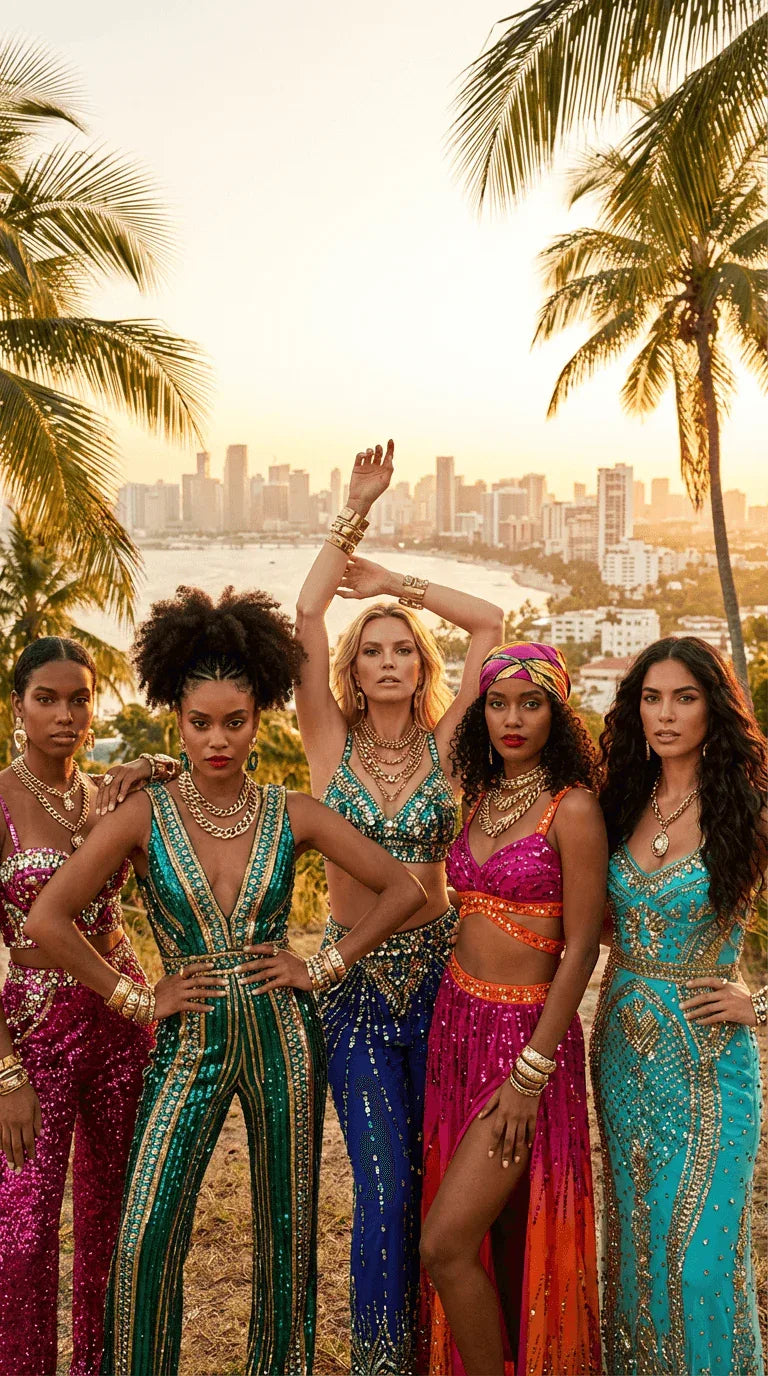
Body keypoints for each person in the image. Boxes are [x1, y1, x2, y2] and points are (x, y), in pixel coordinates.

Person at [25, 587, 426, 1376]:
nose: (218, 739)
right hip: (185, 1036)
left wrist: (324, 963)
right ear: (176, 717)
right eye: (200, 722)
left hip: (284, 1034)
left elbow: (407, 891)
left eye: (235, 722)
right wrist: (138, 996)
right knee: (145, 1238)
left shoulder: (293, 812)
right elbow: (46, 919)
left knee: (288, 1241)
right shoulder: (142, 814)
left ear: (260, 716)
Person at [295, 442, 504, 1374]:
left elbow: (493, 624)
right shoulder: (328, 745)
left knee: (435, 1193)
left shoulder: (452, 742)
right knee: (382, 1192)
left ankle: (438, 1356)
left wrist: (397, 585)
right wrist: (352, 513)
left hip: (448, 986)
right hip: (354, 987)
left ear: (420, 665)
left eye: (399, 650)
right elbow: (305, 610)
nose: (385, 660)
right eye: (369, 648)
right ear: (354, 666)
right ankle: (382, 1364)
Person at [419, 643, 605, 1376]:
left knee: (445, 1243)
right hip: (455, 1023)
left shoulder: (574, 807)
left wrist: (531, 1072)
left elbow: (583, 946)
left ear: (557, 711)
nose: (512, 719)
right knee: (491, 1238)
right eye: (497, 703)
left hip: (525, 1040)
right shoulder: (480, 795)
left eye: (531, 703)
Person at [591, 636, 767, 1376]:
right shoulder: (619, 798)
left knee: (697, 1263)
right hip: (622, 1060)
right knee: (636, 1255)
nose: (665, 714)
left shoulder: (747, 804)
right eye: (652, 698)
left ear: (713, 707)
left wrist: (759, 1002)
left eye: (685, 698)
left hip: (708, 1065)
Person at [0, 637, 160, 1376]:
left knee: (114, 1223)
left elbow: (208, 790)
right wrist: (7, 1075)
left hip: (124, 1027)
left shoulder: (109, 797)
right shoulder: (0, 801)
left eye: (79, 699)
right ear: (18, 709)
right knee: (24, 1234)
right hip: (35, 1032)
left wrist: (158, 766)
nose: (65, 714)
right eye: (47, 699)